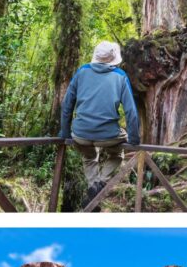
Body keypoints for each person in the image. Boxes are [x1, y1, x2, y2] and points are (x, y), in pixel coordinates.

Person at [59, 41, 141, 204]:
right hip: (109, 135)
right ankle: (101, 183)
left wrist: (65, 132)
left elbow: (67, 104)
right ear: (114, 59)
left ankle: (93, 186)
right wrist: (134, 138)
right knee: (117, 154)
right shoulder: (120, 76)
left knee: (89, 156)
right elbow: (131, 111)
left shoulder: (82, 72)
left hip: (80, 134)